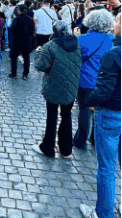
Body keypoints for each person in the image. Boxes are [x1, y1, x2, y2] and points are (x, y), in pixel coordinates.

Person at [79, 12, 121, 218]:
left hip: (106, 105)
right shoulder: (111, 43)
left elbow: (103, 92)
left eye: (119, 20)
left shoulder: (112, 53)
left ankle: (103, 213)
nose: (116, 23)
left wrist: (91, 101)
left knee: (106, 168)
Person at [32, 21, 81, 159]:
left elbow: (40, 66)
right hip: (71, 85)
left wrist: (38, 53)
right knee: (67, 115)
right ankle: (66, 149)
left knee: (52, 115)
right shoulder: (77, 44)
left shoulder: (49, 46)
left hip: (53, 84)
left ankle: (48, 147)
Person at [73, 9, 115, 150]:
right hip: (101, 81)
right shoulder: (109, 40)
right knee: (97, 110)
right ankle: (94, 138)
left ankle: (81, 139)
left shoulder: (81, 39)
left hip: (84, 80)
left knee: (84, 110)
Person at [9, 4, 35, 79]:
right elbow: (32, 30)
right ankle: (25, 74)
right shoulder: (30, 19)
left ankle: (14, 73)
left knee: (14, 57)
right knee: (26, 57)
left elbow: (12, 29)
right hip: (27, 40)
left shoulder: (16, 19)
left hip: (17, 40)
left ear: (19, 10)